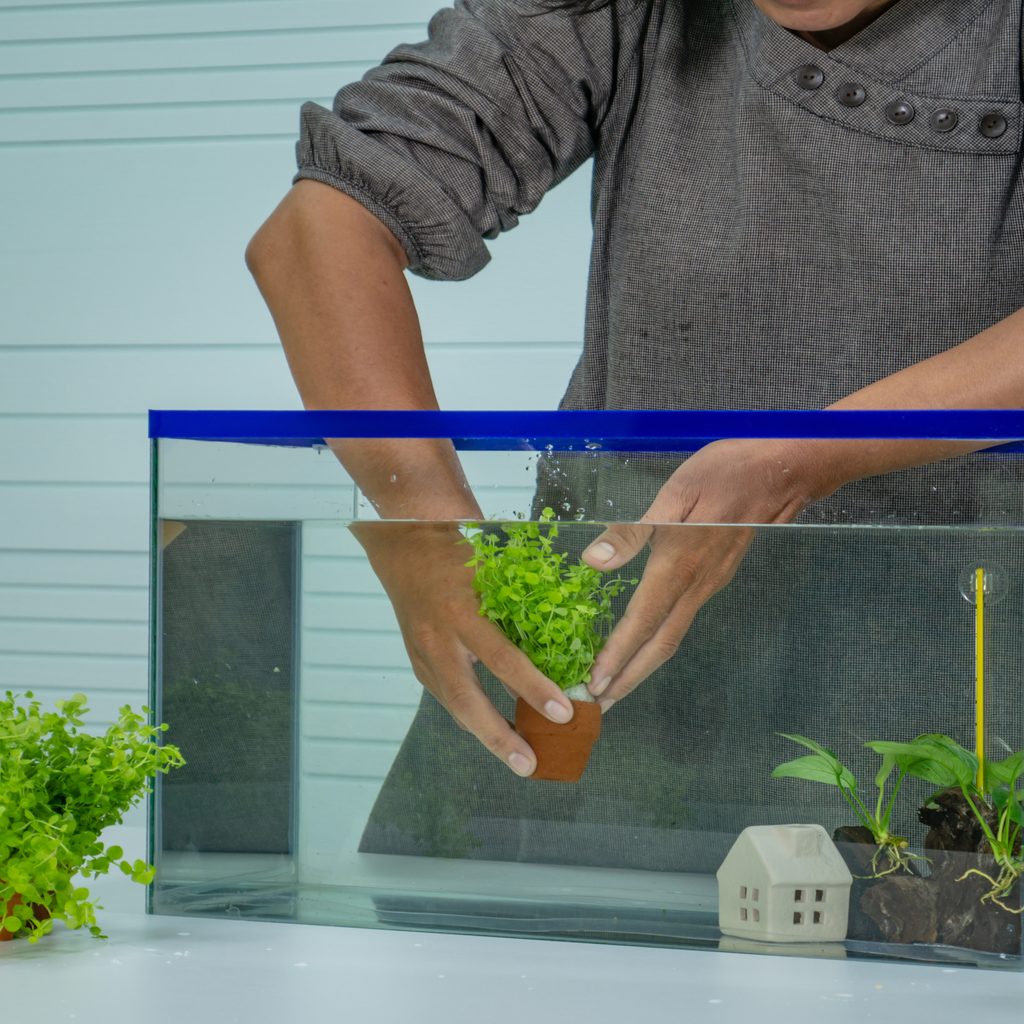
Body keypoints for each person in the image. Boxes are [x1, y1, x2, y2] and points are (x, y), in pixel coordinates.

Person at [246, 0, 1024, 870]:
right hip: (592, 673)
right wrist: (422, 520)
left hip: (936, 647)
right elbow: (318, 229)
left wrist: (809, 455)